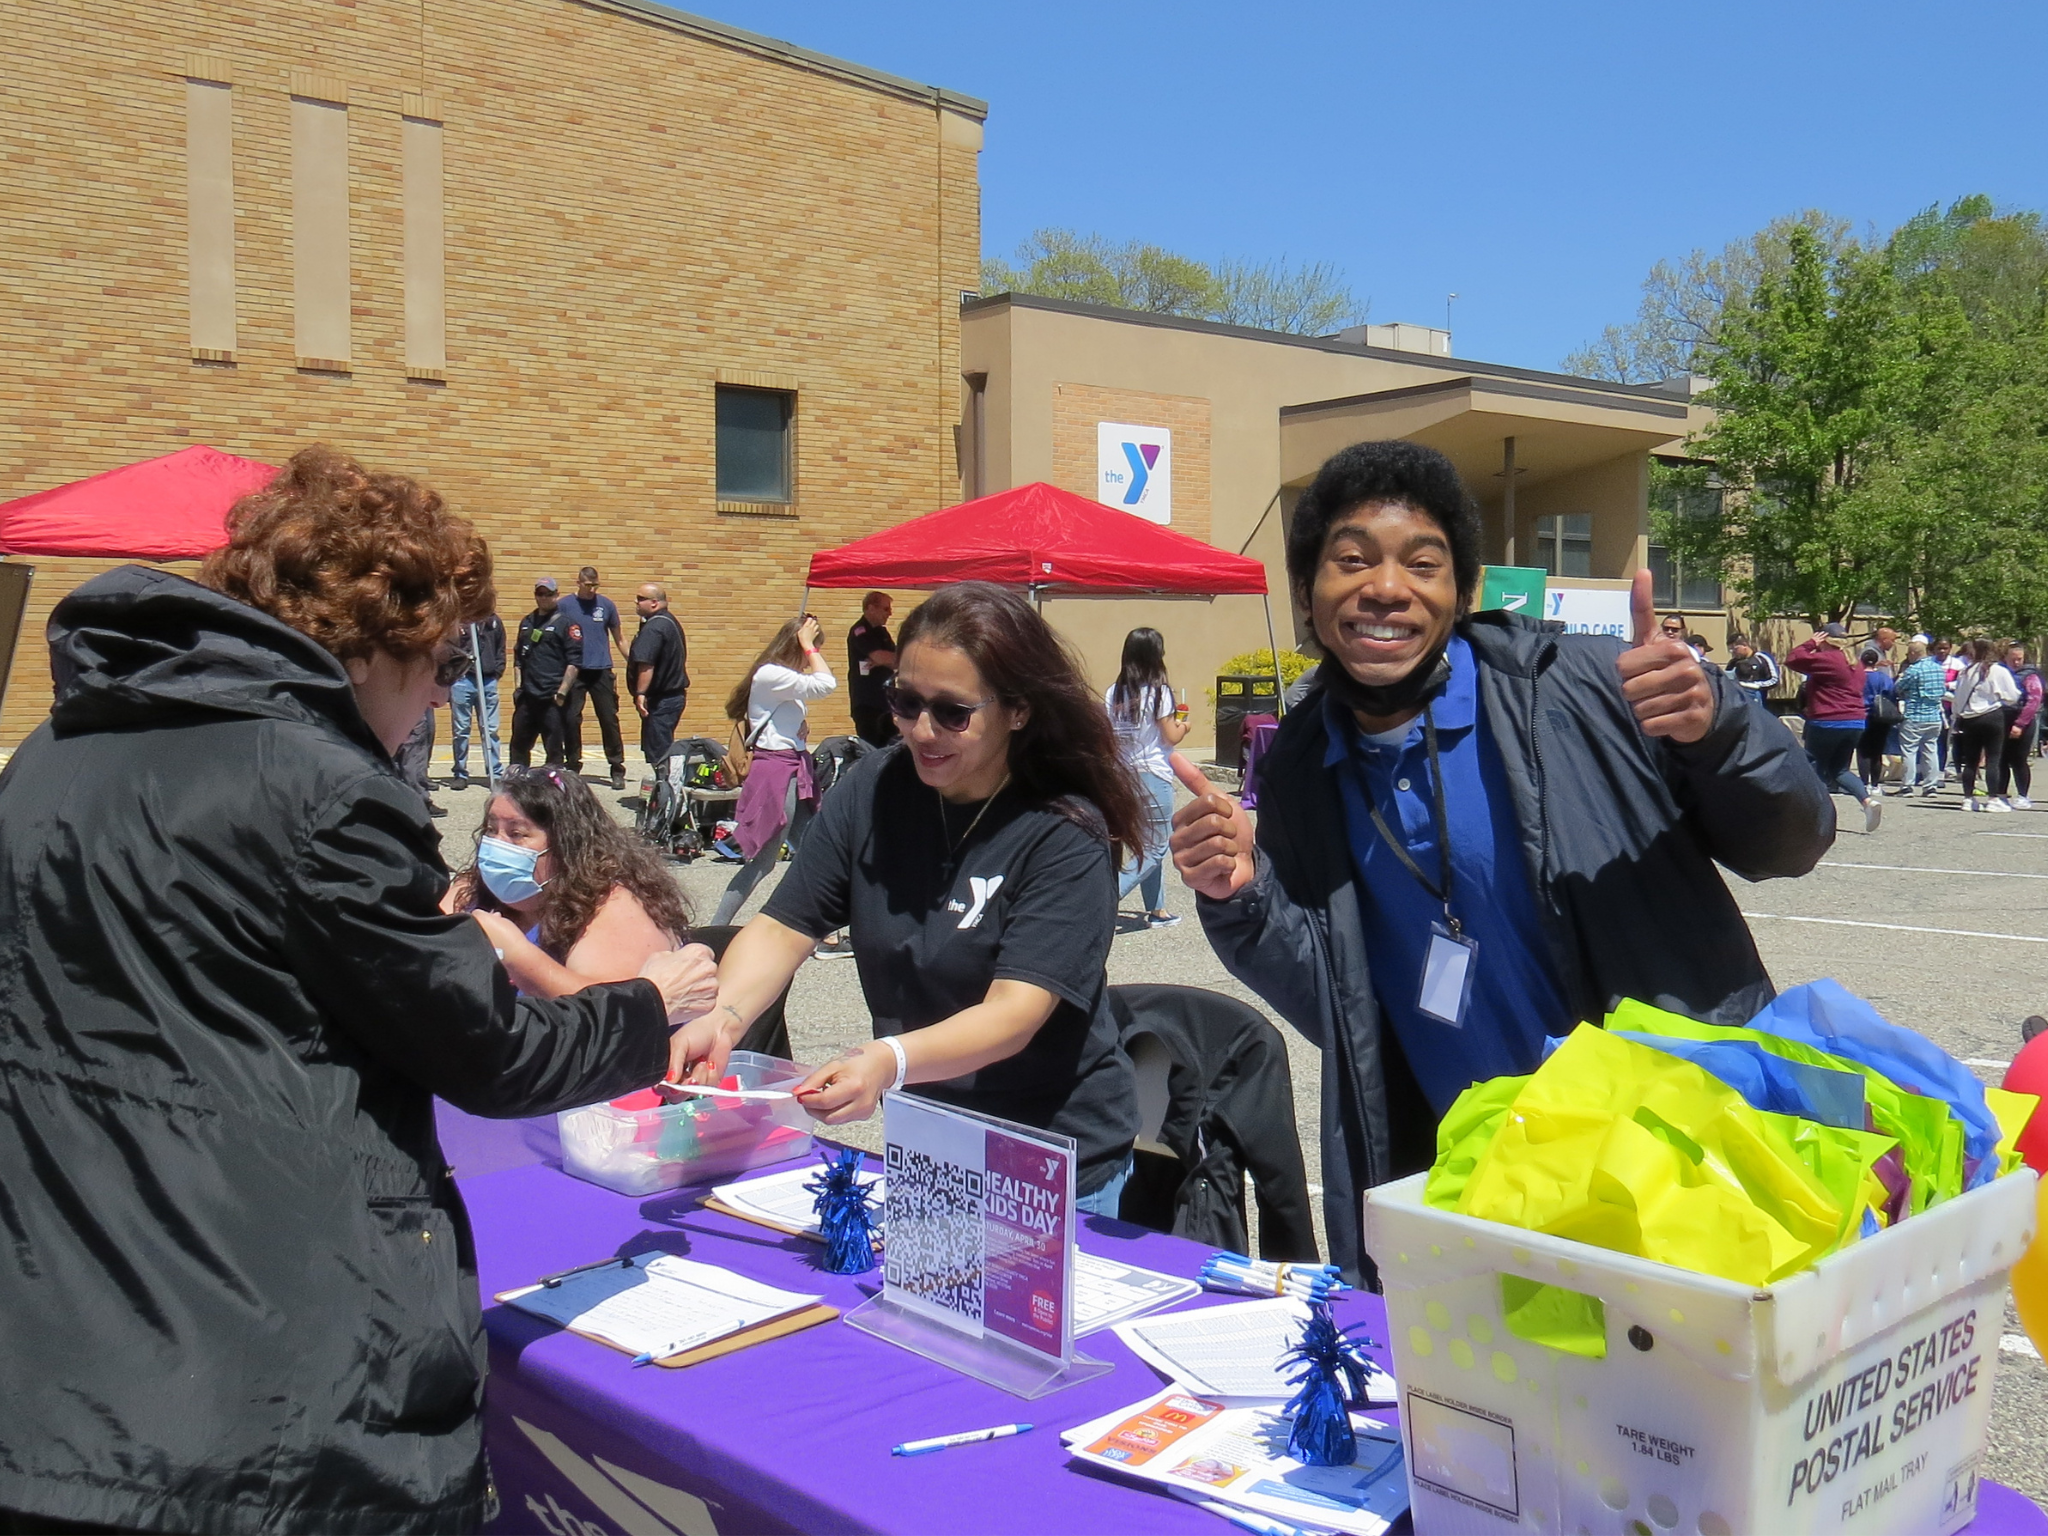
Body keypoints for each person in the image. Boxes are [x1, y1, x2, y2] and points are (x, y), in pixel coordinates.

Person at [0, 445, 717, 1534]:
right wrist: (649, 1004)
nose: (441, 687)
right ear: (373, 642)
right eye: (437, 659)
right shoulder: (321, 789)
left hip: (53, 1352)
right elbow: (492, 1054)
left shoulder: (53, 753)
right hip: (249, 1384)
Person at [1167, 440, 1830, 1283]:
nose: (1386, 587)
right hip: (1484, 1188)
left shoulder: (1586, 689)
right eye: (1351, 560)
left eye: (1423, 563)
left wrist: (1721, 727)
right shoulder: (1304, 762)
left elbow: (1794, 842)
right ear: (1307, 593)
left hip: (1674, 1162)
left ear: (1461, 592)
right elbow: (1338, 1004)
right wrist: (1240, 894)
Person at [673, 582, 1145, 1212]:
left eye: (952, 711)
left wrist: (888, 1061)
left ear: (1019, 710)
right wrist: (723, 1020)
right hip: (931, 1138)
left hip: (1050, 1156)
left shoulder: (1063, 831)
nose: (922, 730)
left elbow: (1014, 1013)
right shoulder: (873, 787)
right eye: (904, 701)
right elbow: (785, 925)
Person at [446, 765, 694, 996]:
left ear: (567, 845)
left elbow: (610, 1014)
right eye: (491, 830)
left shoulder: (611, 906)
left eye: (517, 833)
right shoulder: (470, 890)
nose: (497, 845)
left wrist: (515, 954)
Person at [709, 615, 837, 925]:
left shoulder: (779, 677)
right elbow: (826, 684)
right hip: (777, 774)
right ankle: (714, 930)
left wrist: (797, 729)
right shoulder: (770, 674)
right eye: (811, 650)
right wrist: (809, 646)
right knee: (763, 862)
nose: (810, 660)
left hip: (793, 768)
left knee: (816, 852)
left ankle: (817, 929)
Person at [1105, 626, 1190, 929]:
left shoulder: (1114, 692)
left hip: (1122, 776)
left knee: (1145, 845)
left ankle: (1158, 910)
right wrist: (1184, 726)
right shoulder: (1159, 692)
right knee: (1157, 848)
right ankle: (1106, 896)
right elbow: (1169, 737)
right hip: (1152, 776)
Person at [1787, 623, 1882, 833]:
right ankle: (1867, 801)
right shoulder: (1855, 664)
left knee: (1814, 768)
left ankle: (1816, 819)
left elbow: (1793, 659)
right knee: (1839, 769)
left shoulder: (1826, 659)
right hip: (1855, 721)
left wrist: (1812, 642)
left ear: (1825, 639)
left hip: (1827, 721)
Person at [558, 565, 628, 789]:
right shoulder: (565, 605)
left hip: (601, 669)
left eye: (595, 586)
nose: (591, 590)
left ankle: (617, 767)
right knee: (570, 719)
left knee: (608, 719)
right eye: (587, 585)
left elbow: (620, 638)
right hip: (575, 670)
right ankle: (573, 765)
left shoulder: (606, 605)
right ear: (578, 583)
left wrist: (634, 662)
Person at [511, 577, 578, 767]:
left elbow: (574, 662)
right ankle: (518, 785)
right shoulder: (527, 622)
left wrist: (562, 692)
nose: (543, 598)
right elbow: (518, 658)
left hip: (552, 697)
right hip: (528, 696)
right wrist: (518, 687)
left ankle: (552, 788)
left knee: (554, 749)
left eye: (548, 594)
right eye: (539, 594)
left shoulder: (567, 624)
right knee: (519, 746)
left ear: (556, 595)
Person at [628, 583, 691, 772]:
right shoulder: (669, 621)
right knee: (659, 749)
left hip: (662, 700)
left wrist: (640, 693)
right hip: (672, 698)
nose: (636, 602)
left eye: (640, 598)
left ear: (654, 603)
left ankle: (666, 795)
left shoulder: (655, 627)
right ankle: (664, 791)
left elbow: (647, 664)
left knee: (660, 754)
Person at [1952, 638, 2021, 811]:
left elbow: (1958, 699)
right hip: (1992, 716)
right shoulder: (1998, 670)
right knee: (1993, 759)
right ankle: (1993, 799)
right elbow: (2012, 696)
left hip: (1969, 719)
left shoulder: (1966, 672)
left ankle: (1968, 798)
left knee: (1970, 761)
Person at [449, 607, 505, 788]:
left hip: (488, 681)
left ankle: (495, 773)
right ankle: (460, 772)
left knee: (490, 730)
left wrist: (496, 672)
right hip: (463, 680)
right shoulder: (461, 621)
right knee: (461, 730)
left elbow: (501, 649)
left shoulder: (494, 622)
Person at [1893, 639, 1948, 797]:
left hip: (1915, 715)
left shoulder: (1913, 670)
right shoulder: (1938, 669)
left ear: (1913, 653)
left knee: (1909, 751)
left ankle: (1907, 786)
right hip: (1934, 716)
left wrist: (1901, 678)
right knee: (1931, 751)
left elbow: (1898, 688)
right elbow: (1943, 690)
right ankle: (1931, 786)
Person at [846, 590, 899, 748]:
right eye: (885, 608)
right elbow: (882, 657)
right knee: (871, 748)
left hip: (886, 702)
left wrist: (890, 660)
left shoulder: (881, 633)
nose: (890, 613)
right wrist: (886, 660)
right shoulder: (860, 631)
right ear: (871, 608)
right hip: (868, 703)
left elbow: (897, 661)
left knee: (890, 746)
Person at [2003, 642, 2043, 811]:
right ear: (2006, 658)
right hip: (2003, 719)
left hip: (2023, 720)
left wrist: (2020, 724)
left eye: (2019, 659)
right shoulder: (2000, 672)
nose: (2016, 662)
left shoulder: (2030, 675)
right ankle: (2000, 794)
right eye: (2013, 659)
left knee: (2019, 759)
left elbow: (2034, 700)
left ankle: (2022, 795)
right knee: (2001, 760)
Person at [1857, 647, 1899, 792]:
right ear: (1876, 662)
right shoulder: (1884, 678)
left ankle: (1863, 783)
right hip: (1880, 718)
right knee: (1877, 752)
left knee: (1863, 751)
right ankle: (1875, 784)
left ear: (1861, 661)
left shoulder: (1856, 677)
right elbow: (1891, 695)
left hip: (1861, 715)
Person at [1728, 635, 1780, 707]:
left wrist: (1755, 685)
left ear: (1744, 645)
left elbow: (1774, 680)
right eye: (1730, 650)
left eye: (1734, 649)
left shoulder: (1761, 658)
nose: (1732, 652)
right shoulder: (1733, 663)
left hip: (1757, 699)